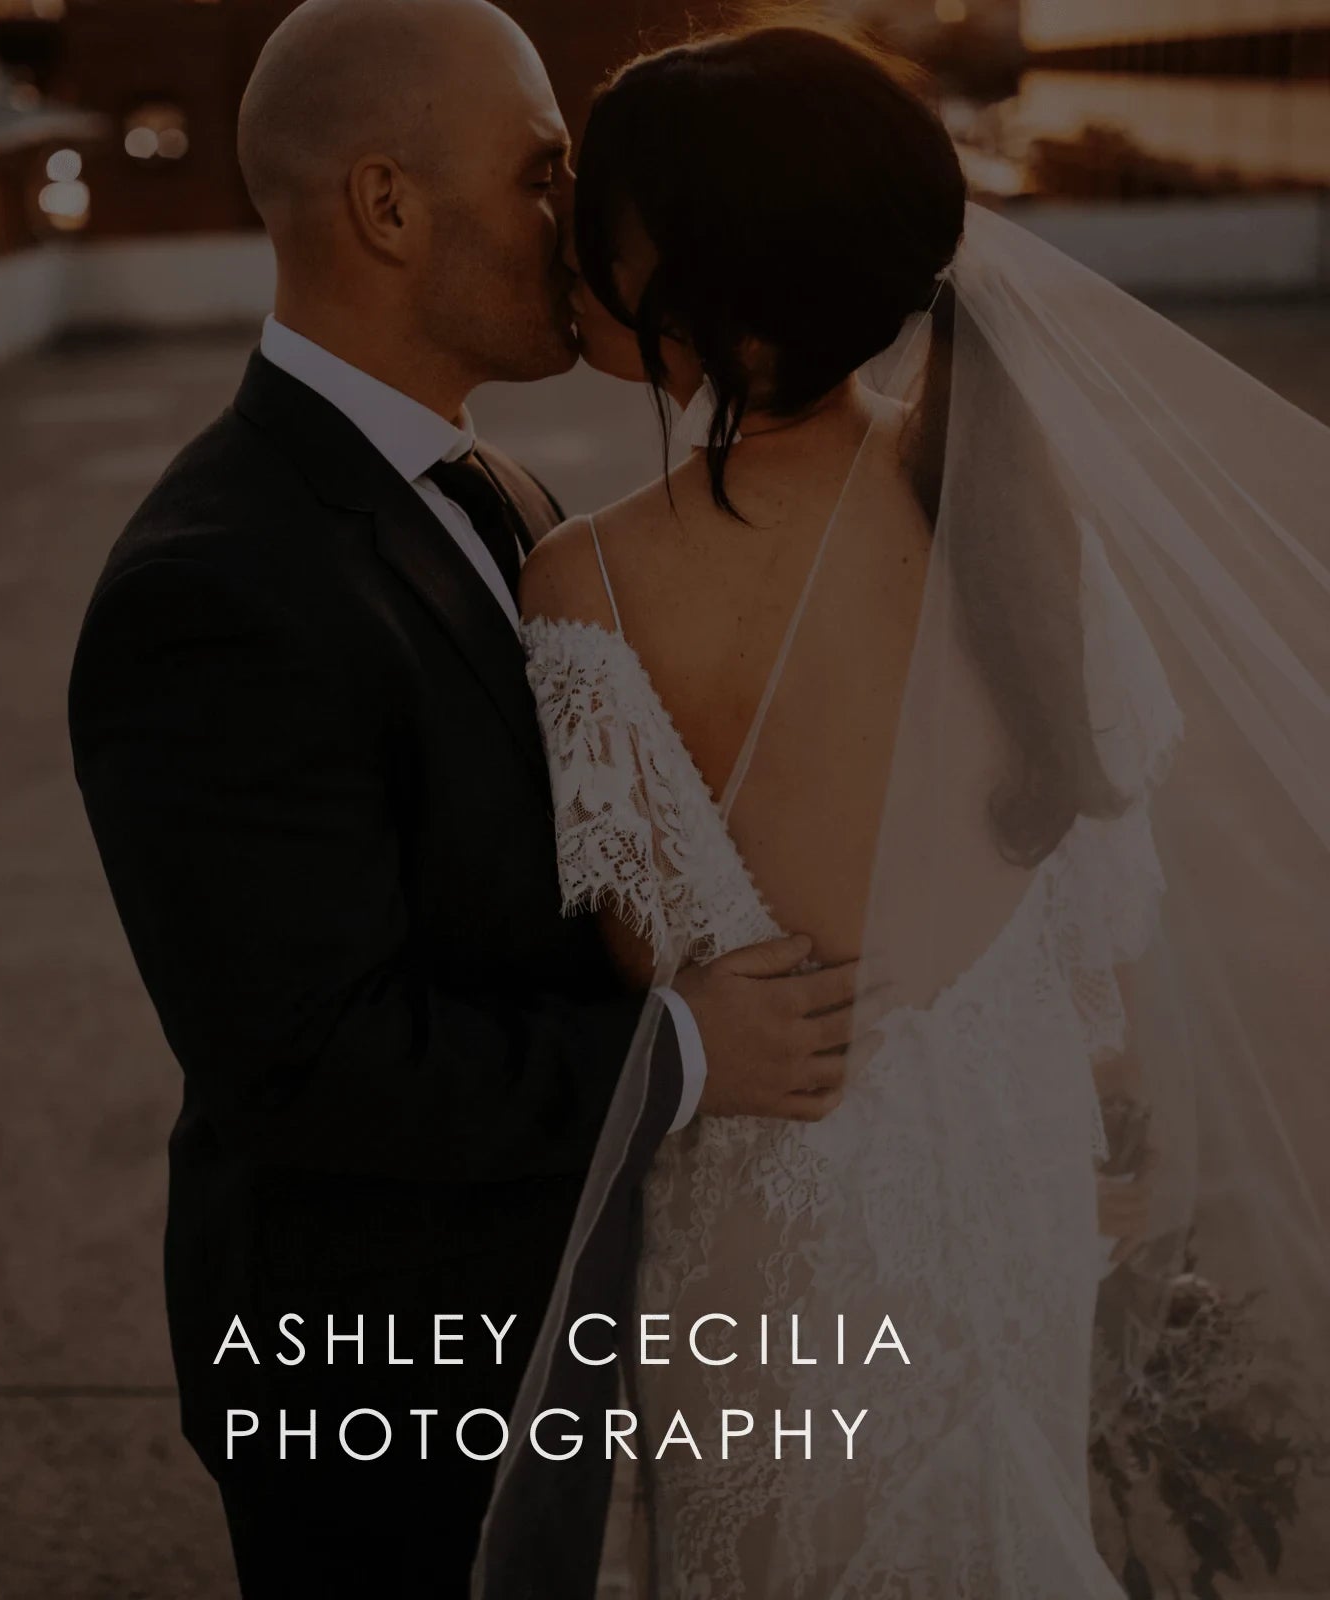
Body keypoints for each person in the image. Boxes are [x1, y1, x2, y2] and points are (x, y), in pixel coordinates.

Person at [481, 20, 1330, 1600]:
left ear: (712, 272)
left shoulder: (588, 579)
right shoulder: (1014, 511)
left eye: (609, 221)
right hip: (1015, 1164)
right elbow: (1102, 926)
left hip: (784, 1206)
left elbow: (651, 960)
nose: (577, 250)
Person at [66, 2, 858, 1594]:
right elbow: (308, 1063)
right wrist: (690, 1052)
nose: (584, 216)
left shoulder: (499, 488)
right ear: (387, 205)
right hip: (378, 1378)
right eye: (543, 171)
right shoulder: (213, 590)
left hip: (552, 1328)